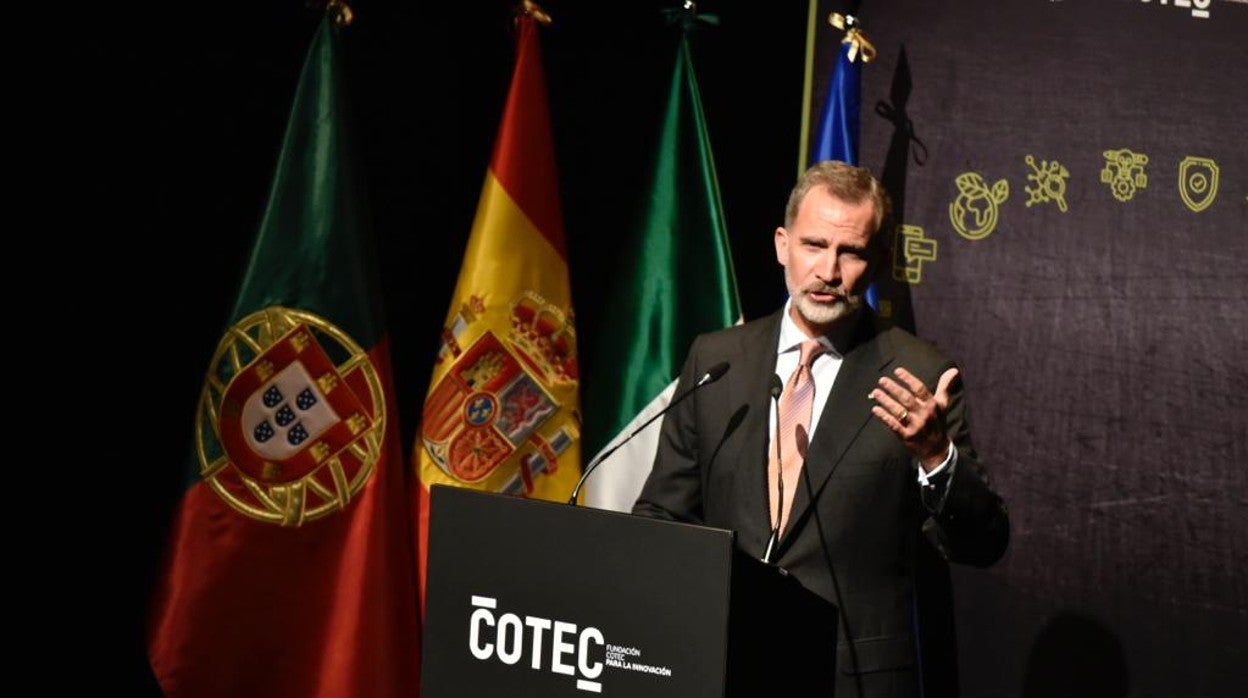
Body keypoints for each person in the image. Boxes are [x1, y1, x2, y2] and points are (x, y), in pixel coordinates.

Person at [632, 160, 1009, 698]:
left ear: (878, 262)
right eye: (813, 245)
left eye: (850, 252)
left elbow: (984, 543)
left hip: (848, 677)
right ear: (782, 245)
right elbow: (661, 514)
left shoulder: (917, 375)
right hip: (721, 664)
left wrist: (935, 457)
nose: (828, 271)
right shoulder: (718, 359)